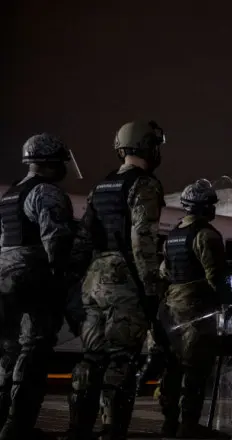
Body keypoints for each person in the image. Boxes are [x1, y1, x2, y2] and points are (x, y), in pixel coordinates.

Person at [66, 121, 166, 440]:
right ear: (149, 147)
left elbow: (82, 239)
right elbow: (143, 241)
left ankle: (78, 427)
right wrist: (151, 290)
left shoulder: (102, 186)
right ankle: (112, 429)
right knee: (120, 359)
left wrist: (74, 285)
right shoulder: (146, 185)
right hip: (125, 280)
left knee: (91, 357)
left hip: (94, 279)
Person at [0, 134, 78, 439]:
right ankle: (18, 427)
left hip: (3, 281)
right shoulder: (47, 192)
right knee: (34, 354)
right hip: (33, 281)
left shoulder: (10, 194)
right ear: (51, 162)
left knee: (8, 354)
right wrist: (62, 280)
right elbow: (57, 240)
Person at [156, 179, 230, 437]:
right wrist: (228, 300)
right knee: (195, 371)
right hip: (197, 310)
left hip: (171, 309)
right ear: (206, 207)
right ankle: (188, 426)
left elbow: (164, 271)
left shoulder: (172, 236)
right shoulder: (207, 235)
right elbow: (216, 277)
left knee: (172, 369)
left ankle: (169, 422)